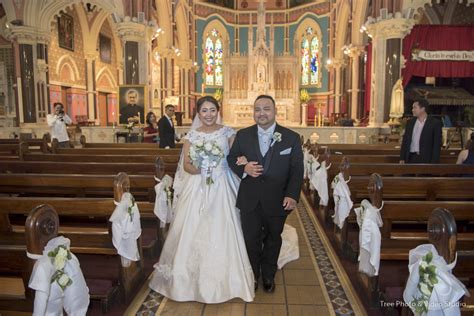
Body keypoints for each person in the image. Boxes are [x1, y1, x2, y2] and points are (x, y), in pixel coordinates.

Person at [149, 96, 299, 303]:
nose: (208, 114)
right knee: (240, 234)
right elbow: (187, 165)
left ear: (217, 111)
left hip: (225, 186)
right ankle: (233, 275)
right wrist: (204, 169)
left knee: (253, 233)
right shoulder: (192, 136)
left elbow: (235, 158)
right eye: (204, 111)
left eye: (212, 110)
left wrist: (240, 165)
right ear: (198, 113)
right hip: (200, 186)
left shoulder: (229, 133)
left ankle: (260, 275)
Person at [227, 95, 304, 293]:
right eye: (258, 109)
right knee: (250, 238)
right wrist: (244, 170)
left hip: (277, 199)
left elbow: (297, 170)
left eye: (266, 109)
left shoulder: (291, 138)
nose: (262, 113)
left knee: (273, 238)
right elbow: (231, 158)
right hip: (250, 198)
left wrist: (292, 195)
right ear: (253, 112)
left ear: (275, 110)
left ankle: (268, 275)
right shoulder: (243, 135)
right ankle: (252, 274)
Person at [400, 100, 442, 164]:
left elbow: (437, 144)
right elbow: (405, 141)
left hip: (426, 159)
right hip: (410, 158)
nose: (412, 110)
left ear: (423, 109)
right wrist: (402, 158)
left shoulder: (435, 123)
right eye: (412, 108)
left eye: (415, 107)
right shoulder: (410, 122)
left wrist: (434, 162)